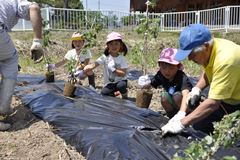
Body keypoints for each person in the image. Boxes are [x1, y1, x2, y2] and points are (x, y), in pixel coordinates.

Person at [161, 23, 240, 135]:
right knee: (199, 126)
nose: (189, 58)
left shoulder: (226, 60)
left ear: (206, 46)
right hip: (229, 97)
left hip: (236, 101)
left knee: (232, 138)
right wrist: (197, 88)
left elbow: (213, 103)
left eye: (192, 54)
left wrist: (181, 123)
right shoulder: (211, 48)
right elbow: (209, 69)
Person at [0, 0, 43, 131]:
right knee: (10, 60)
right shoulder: (16, 2)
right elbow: (34, 8)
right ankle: (3, 107)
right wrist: (37, 41)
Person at [138, 48, 193, 118]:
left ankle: (187, 115)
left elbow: (186, 95)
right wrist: (145, 83)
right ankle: (171, 116)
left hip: (187, 103)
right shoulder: (160, 75)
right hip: (173, 102)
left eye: (171, 68)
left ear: (178, 67)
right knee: (164, 97)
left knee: (177, 96)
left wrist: (182, 113)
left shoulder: (182, 77)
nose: (167, 71)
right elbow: (151, 84)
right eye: (164, 68)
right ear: (160, 67)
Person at [84, 32, 128, 99]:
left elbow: (123, 74)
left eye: (116, 44)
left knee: (121, 86)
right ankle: (115, 94)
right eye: (111, 44)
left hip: (120, 81)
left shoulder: (122, 58)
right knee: (104, 94)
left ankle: (124, 95)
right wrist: (86, 68)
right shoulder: (104, 57)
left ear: (121, 45)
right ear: (108, 46)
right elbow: (94, 65)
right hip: (110, 84)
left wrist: (114, 70)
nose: (114, 46)